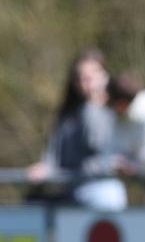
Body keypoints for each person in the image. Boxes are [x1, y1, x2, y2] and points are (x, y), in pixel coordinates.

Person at [27, 49, 127, 211]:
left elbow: (98, 143)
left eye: (91, 77)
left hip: (103, 195)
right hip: (73, 196)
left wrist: (93, 105)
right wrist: (46, 166)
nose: (86, 84)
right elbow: (55, 151)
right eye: (81, 79)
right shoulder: (68, 115)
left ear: (104, 77)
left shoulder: (114, 111)